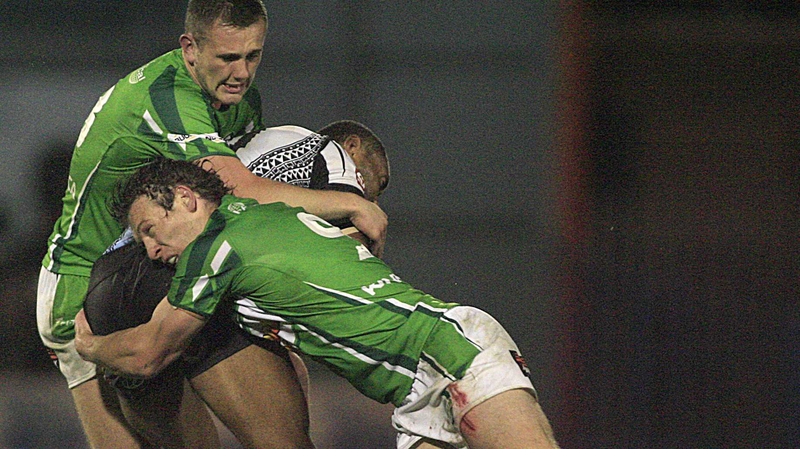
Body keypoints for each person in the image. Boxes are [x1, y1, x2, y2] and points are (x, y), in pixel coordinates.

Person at [37, 0, 387, 446]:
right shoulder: (167, 96)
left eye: (253, 56)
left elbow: (237, 207)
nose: (241, 72)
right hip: (87, 290)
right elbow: (239, 187)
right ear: (190, 48)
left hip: (171, 272)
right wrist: (351, 205)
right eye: (227, 57)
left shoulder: (240, 101)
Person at [75, 158, 560, 449]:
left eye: (149, 230)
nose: (151, 251)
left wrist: (90, 346)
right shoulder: (263, 213)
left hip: (446, 350)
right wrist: (354, 205)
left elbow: (148, 354)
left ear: (185, 198)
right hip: (412, 391)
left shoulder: (215, 250)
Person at [85, 121, 390, 447]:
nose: (376, 193)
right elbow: (347, 269)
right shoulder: (334, 159)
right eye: (381, 180)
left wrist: (89, 339)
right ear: (352, 147)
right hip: (169, 286)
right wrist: (360, 205)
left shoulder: (240, 151)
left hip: (109, 292)